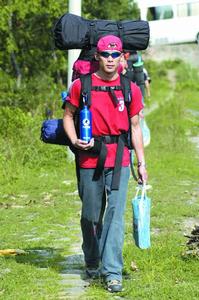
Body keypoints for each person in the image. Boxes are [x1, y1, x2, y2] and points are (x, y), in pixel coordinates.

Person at [63, 35, 148, 293]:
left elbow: (135, 128)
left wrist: (142, 163)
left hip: (120, 158)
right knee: (90, 215)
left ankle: (112, 271)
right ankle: (91, 259)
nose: (110, 59)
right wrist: (75, 140)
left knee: (114, 215)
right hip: (89, 158)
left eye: (115, 55)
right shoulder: (82, 85)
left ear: (122, 56)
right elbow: (68, 116)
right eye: (105, 55)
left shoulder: (129, 87)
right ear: (97, 57)